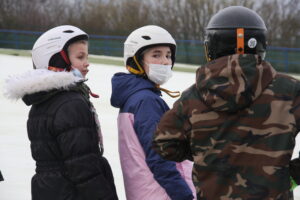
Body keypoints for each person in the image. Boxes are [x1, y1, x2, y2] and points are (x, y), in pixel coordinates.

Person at [153, 6, 300, 200]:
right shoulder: (290, 90)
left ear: (212, 45)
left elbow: (164, 143)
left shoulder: (193, 96)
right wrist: (291, 175)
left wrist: (206, 153)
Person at [5, 25, 118, 200]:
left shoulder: (41, 101)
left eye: (86, 56)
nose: (87, 63)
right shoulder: (70, 104)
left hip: (48, 190)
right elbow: (84, 167)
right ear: (57, 60)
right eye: (80, 57)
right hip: (72, 192)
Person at [110, 25, 196, 200]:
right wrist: (183, 196)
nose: (165, 61)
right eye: (156, 55)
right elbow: (159, 158)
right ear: (136, 61)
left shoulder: (134, 97)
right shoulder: (146, 101)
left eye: (168, 55)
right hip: (162, 194)